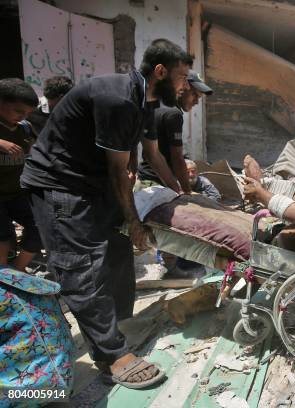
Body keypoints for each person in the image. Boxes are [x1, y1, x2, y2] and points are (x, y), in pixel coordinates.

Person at [20, 39, 193, 389]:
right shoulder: (118, 98)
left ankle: (118, 325)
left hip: (95, 182)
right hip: (60, 185)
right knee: (82, 267)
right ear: (160, 71)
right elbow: (118, 172)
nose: (185, 85)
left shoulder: (145, 102)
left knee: (117, 251)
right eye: (182, 76)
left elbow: (146, 156)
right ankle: (111, 354)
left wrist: (182, 196)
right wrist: (131, 216)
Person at [138, 70, 213, 193]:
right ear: (183, 87)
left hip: (146, 180)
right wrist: (186, 192)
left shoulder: (157, 104)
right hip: (158, 184)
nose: (196, 102)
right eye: (194, 95)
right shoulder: (173, 114)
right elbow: (176, 158)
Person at [0, 78, 42, 271]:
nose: (23, 116)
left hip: (16, 194)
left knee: (39, 226)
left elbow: (40, 152)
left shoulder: (25, 129)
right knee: (3, 238)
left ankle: (17, 272)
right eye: (18, 111)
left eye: (27, 113)